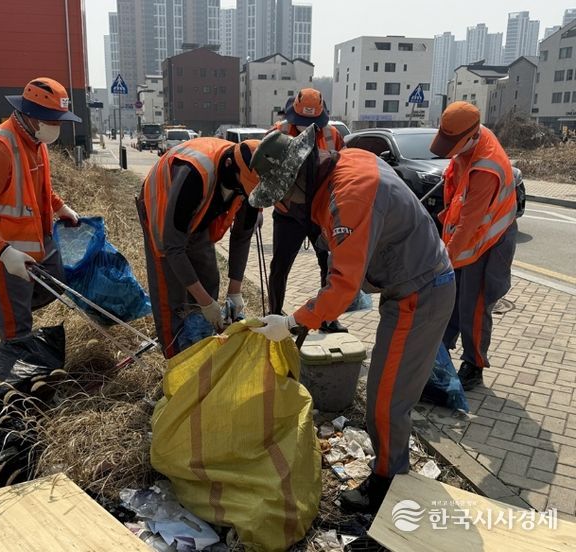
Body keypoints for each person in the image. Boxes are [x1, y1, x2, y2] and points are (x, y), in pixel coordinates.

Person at [247, 125, 456, 513]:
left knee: (386, 401)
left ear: (300, 175)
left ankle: (387, 486)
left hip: (421, 292)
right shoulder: (346, 165)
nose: (285, 205)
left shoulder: (349, 196)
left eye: (285, 194)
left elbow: (343, 288)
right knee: (386, 394)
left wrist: (291, 323)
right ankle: (390, 472)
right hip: (411, 283)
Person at [0, 77, 81, 342]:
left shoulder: (36, 141)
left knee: (55, 282)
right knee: (18, 326)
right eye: (53, 120)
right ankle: (12, 329)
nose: (57, 126)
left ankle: (6, 309)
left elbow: (39, 187)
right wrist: (4, 252)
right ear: (32, 116)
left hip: (32, 235)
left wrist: (60, 207)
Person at [137, 138, 261, 359]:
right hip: (162, 206)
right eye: (245, 188)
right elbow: (173, 247)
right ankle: (176, 359)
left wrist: (234, 291)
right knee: (173, 294)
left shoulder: (253, 181)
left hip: (198, 215)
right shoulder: (195, 175)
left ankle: (203, 345)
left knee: (208, 277)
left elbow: (242, 237)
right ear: (230, 167)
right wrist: (205, 302)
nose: (246, 193)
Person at [430, 101, 517, 391]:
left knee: (474, 305)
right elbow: (456, 185)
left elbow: (469, 224)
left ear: (471, 135)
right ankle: (440, 351)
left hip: (489, 242)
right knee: (451, 298)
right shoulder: (470, 139)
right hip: (469, 236)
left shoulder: (486, 169)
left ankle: (474, 364)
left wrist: (446, 259)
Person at [268, 88, 347, 333]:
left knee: (329, 265)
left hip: (320, 214)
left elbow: (344, 170)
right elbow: (262, 173)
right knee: (280, 266)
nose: (306, 126)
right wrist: (260, 208)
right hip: (288, 214)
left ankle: (327, 318)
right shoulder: (278, 133)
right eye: (302, 120)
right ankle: (274, 314)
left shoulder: (333, 135)